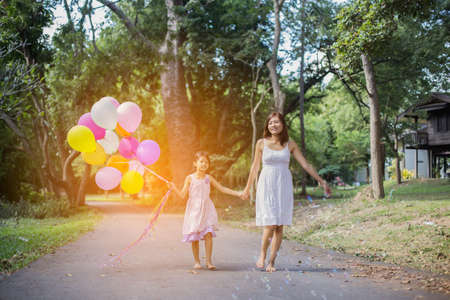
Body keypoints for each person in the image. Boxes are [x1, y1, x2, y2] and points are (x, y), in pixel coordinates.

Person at [242, 112, 331, 272]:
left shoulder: (290, 144)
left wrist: (321, 180)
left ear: (282, 125)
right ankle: (262, 254)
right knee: (270, 224)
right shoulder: (261, 143)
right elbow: (255, 167)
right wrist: (247, 188)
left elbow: (305, 165)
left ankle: (272, 262)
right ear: (267, 126)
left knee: (279, 226)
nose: (273, 125)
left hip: (283, 184)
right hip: (267, 184)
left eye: (276, 122)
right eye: (270, 123)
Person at [168, 151, 242, 270]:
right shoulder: (189, 178)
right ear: (195, 163)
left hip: (207, 209)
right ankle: (197, 261)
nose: (204, 164)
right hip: (194, 210)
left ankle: (209, 261)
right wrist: (174, 188)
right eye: (201, 161)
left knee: (208, 234)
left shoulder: (209, 178)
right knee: (195, 236)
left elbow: (222, 188)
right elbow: (182, 195)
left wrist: (238, 193)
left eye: (206, 162)